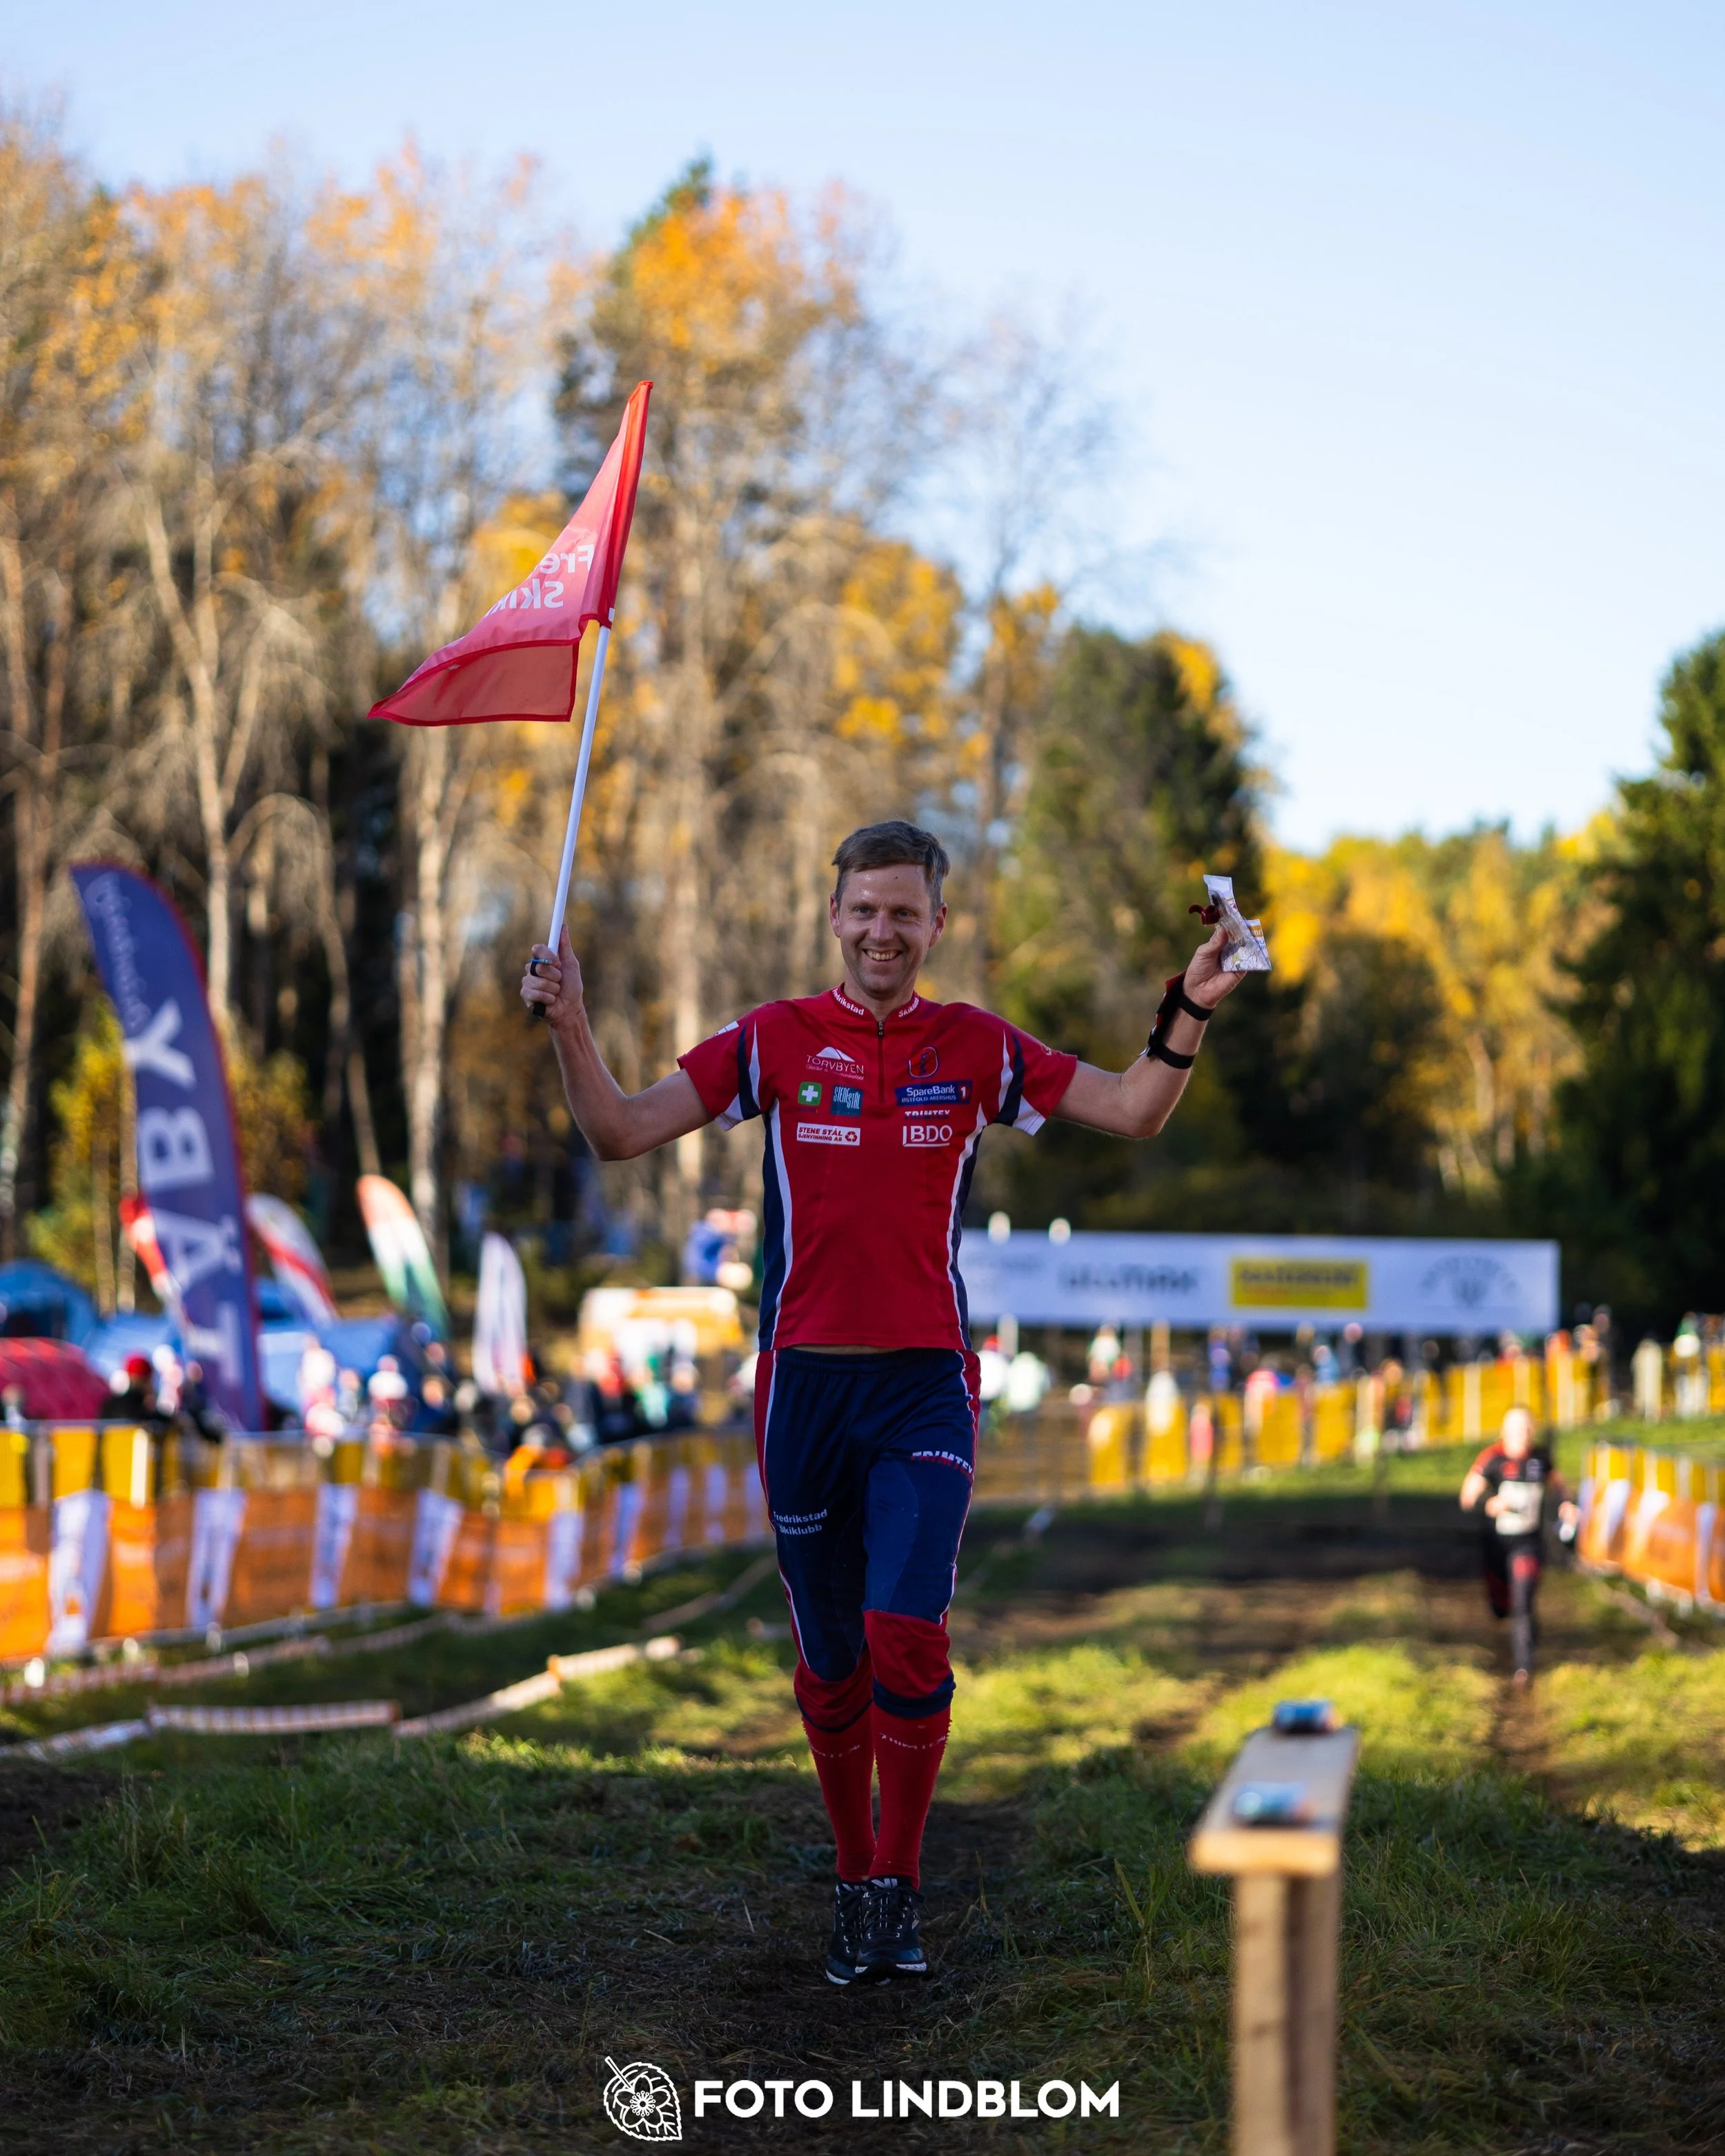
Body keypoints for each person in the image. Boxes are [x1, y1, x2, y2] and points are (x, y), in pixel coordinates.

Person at [520, 818, 1248, 1985]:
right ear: (835, 918)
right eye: (865, 910)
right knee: (829, 1663)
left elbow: (1130, 1108)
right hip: (804, 1388)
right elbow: (617, 1132)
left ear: (937, 926)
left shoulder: (975, 1047)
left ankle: (894, 1887)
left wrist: (1192, 1007)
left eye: (905, 912)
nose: (882, 931)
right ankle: (853, 1873)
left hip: (922, 1387)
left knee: (906, 1629)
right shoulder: (775, 1041)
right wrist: (571, 1023)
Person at [1459, 1405, 1577, 1685]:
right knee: (1502, 1606)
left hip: (1529, 1543)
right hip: (1497, 1544)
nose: (1522, 1435)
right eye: (1516, 1429)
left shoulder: (1541, 1459)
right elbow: (1467, 1496)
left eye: (1526, 1429)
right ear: (1505, 1432)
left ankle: (1524, 1668)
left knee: (1523, 1599)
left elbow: (1560, 1488)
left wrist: (1567, 1506)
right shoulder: (1492, 1459)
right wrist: (1489, 1503)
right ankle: (1505, 1614)